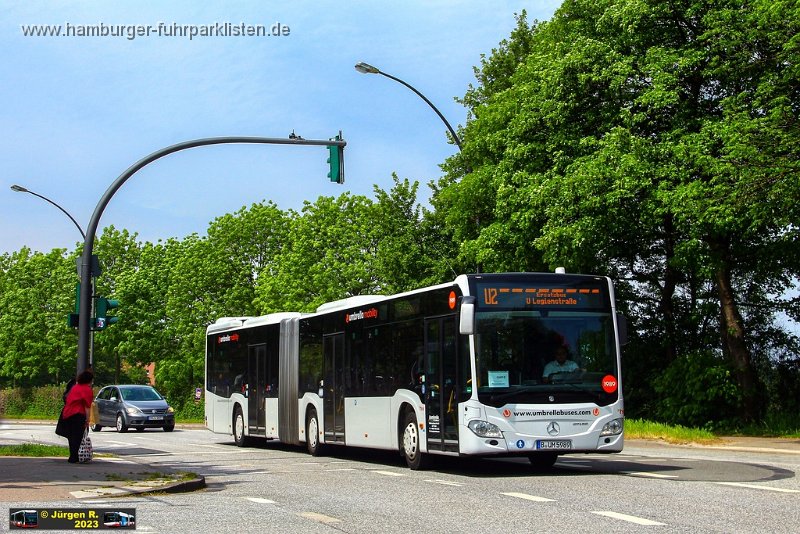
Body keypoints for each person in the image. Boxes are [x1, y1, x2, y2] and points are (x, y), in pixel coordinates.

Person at [60, 369, 94, 463]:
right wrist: (87, 420)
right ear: (89, 380)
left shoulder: (75, 387)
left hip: (67, 413)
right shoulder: (87, 390)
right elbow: (87, 406)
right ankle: (75, 456)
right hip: (78, 414)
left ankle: (72, 456)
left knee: (71, 436)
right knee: (78, 436)